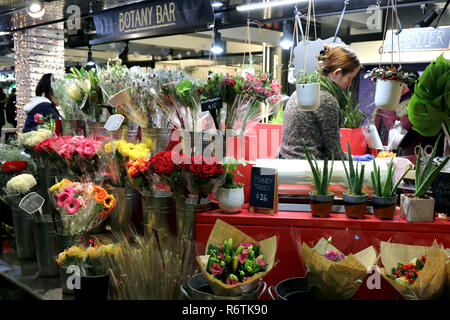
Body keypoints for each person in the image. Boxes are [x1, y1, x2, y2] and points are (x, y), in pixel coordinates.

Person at [279, 44, 361, 160]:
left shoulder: (300, 92)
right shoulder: (326, 100)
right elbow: (334, 154)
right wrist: (357, 160)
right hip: (310, 170)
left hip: (287, 164)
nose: (350, 84)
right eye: (350, 78)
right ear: (337, 73)